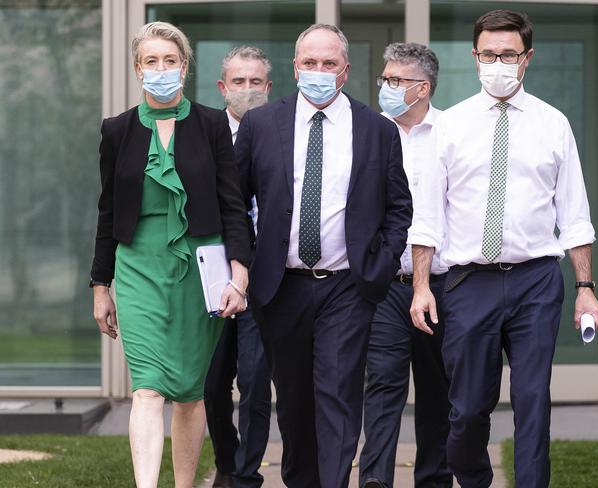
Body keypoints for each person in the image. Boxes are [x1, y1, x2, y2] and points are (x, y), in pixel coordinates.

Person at [409, 9, 598, 488]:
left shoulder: (553, 124)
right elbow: (428, 218)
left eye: (509, 54)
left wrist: (585, 287)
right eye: (489, 54)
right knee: (468, 410)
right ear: (475, 57)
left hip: (536, 280)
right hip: (467, 283)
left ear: (527, 59)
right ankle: (474, 479)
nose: (498, 62)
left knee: (534, 400)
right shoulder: (449, 127)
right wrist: (420, 286)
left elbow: (574, 214)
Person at [236, 24, 412, 488]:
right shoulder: (260, 125)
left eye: (329, 63)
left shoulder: (376, 129)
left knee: (338, 395)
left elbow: (399, 207)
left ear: (346, 70)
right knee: (293, 406)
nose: (318, 71)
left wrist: (381, 262)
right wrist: (245, 264)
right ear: (295, 67)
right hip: (281, 286)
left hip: (346, 287)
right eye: (309, 63)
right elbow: (233, 201)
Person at [90, 21, 251, 488]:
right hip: (137, 263)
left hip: (199, 268)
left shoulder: (211, 124)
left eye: (170, 60)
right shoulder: (117, 130)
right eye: (151, 62)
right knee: (146, 388)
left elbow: (232, 205)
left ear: (184, 66)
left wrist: (238, 275)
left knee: (188, 393)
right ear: (138, 69)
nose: (161, 69)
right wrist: (102, 287)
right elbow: (106, 212)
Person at [359, 43, 451, 488]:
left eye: (396, 81)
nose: (386, 87)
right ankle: (375, 480)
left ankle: (433, 479)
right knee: (382, 387)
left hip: (444, 285)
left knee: (438, 391)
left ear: (423, 87)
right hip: (387, 285)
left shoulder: (452, 132)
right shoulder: (370, 132)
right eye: (385, 78)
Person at [204, 45, 273, 488]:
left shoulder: (280, 133)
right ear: (222, 87)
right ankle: (227, 464)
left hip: (265, 279)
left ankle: (246, 475)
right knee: (211, 385)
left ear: (268, 87)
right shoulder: (206, 135)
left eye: (255, 82)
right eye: (238, 81)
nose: (246, 90)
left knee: (253, 383)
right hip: (213, 278)